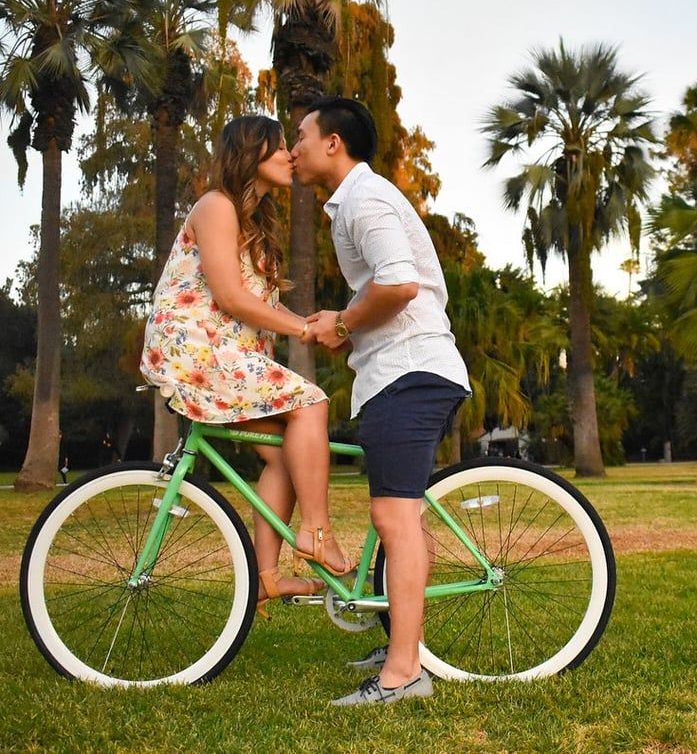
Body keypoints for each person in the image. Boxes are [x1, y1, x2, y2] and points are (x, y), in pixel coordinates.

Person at [140, 115, 355, 620]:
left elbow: (265, 306)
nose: (290, 157)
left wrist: (319, 327)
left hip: (227, 355)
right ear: (252, 153)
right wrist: (304, 331)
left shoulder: (254, 222)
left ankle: (266, 579)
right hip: (197, 348)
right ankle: (317, 535)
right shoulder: (216, 206)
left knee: (282, 454)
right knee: (313, 404)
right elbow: (233, 299)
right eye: (281, 148)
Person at [293, 96, 470, 706]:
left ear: (333, 143)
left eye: (301, 137)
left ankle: (403, 673)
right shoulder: (353, 203)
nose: (293, 149)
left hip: (411, 372)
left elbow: (398, 283)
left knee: (393, 518)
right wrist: (346, 325)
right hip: (399, 372)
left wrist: (341, 324)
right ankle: (402, 639)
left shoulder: (365, 201)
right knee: (400, 517)